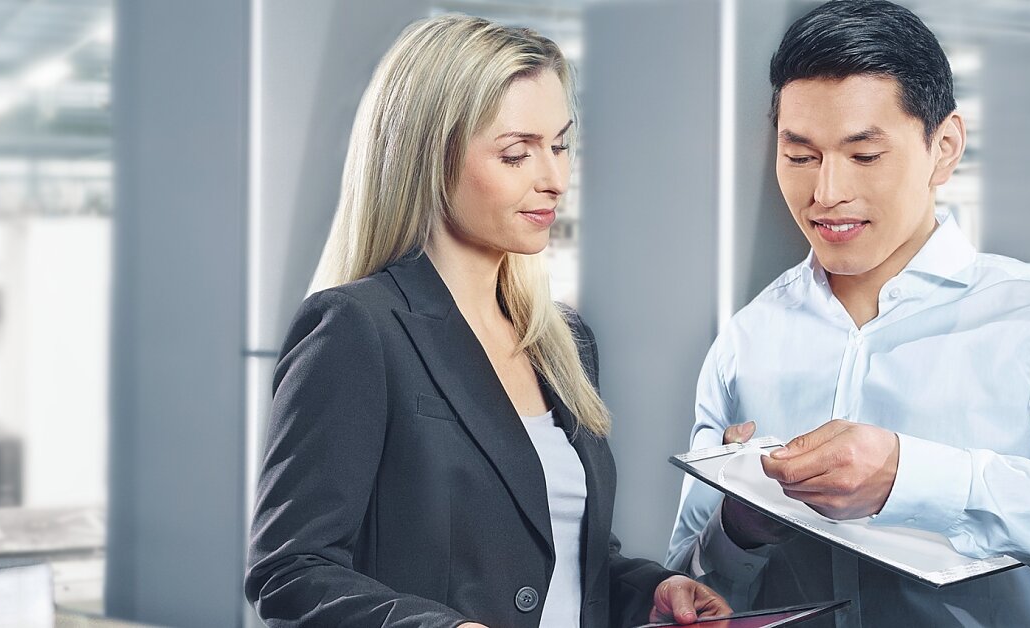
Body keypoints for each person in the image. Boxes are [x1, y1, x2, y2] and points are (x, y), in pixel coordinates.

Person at [665, 2, 1030, 626]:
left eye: (864, 155)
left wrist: (913, 477)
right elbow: (690, 579)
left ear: (945, 147)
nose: (826, 193)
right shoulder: (746, 339)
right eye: (800, 156)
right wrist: (739, 527)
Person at [246, 14, 729, 628]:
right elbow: (290, 571)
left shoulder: (564, 341)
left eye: (559, 146)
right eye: (516, 153)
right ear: (432, 155)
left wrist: (650, 591)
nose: (553, 179)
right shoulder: (356, 329)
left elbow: (554, 552)